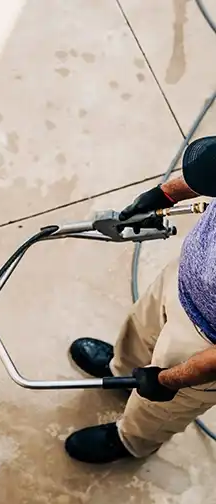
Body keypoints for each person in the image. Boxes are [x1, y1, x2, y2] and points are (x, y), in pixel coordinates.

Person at [65, 136, 216, 464]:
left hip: (204, 343)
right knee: (140, 331)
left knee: (164, 405)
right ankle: (122, 371)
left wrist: (169, 380)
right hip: (183, 278)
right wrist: (163, 195)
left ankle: (131, 440)